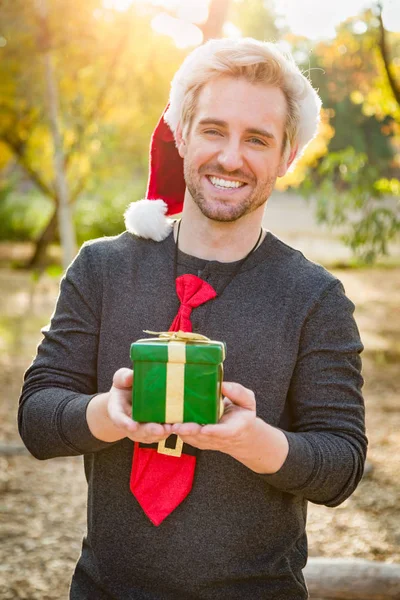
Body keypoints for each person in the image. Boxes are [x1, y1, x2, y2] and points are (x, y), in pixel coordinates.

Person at [18, 38, 367, 600]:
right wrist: (110, 415)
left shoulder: (316, 299)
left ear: (287, 157)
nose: (231, 157)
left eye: (257, 139)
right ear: (181, 135)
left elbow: (342, 466)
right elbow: (36, 419)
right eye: (213, 130)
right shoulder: (102, 268)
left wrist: (255, 442)